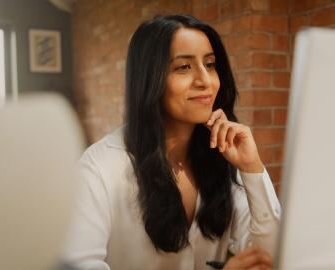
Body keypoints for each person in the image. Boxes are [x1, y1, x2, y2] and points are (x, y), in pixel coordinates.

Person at [63, 14, 281, 270]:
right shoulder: (98, 169)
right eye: (183, 67)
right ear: (149, 79)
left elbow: (272, 257)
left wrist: (252, 168)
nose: (205, 81)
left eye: (210, 64)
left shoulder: (223, 157)